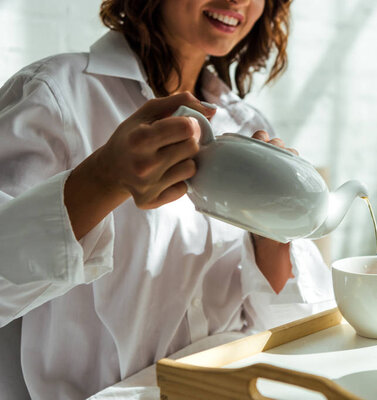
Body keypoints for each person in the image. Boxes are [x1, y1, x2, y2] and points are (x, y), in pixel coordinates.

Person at [0, 0, 333, 398]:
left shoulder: (247, 126)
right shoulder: (56, 95)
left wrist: (276, 228)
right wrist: (104, 177)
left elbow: (290, 324)